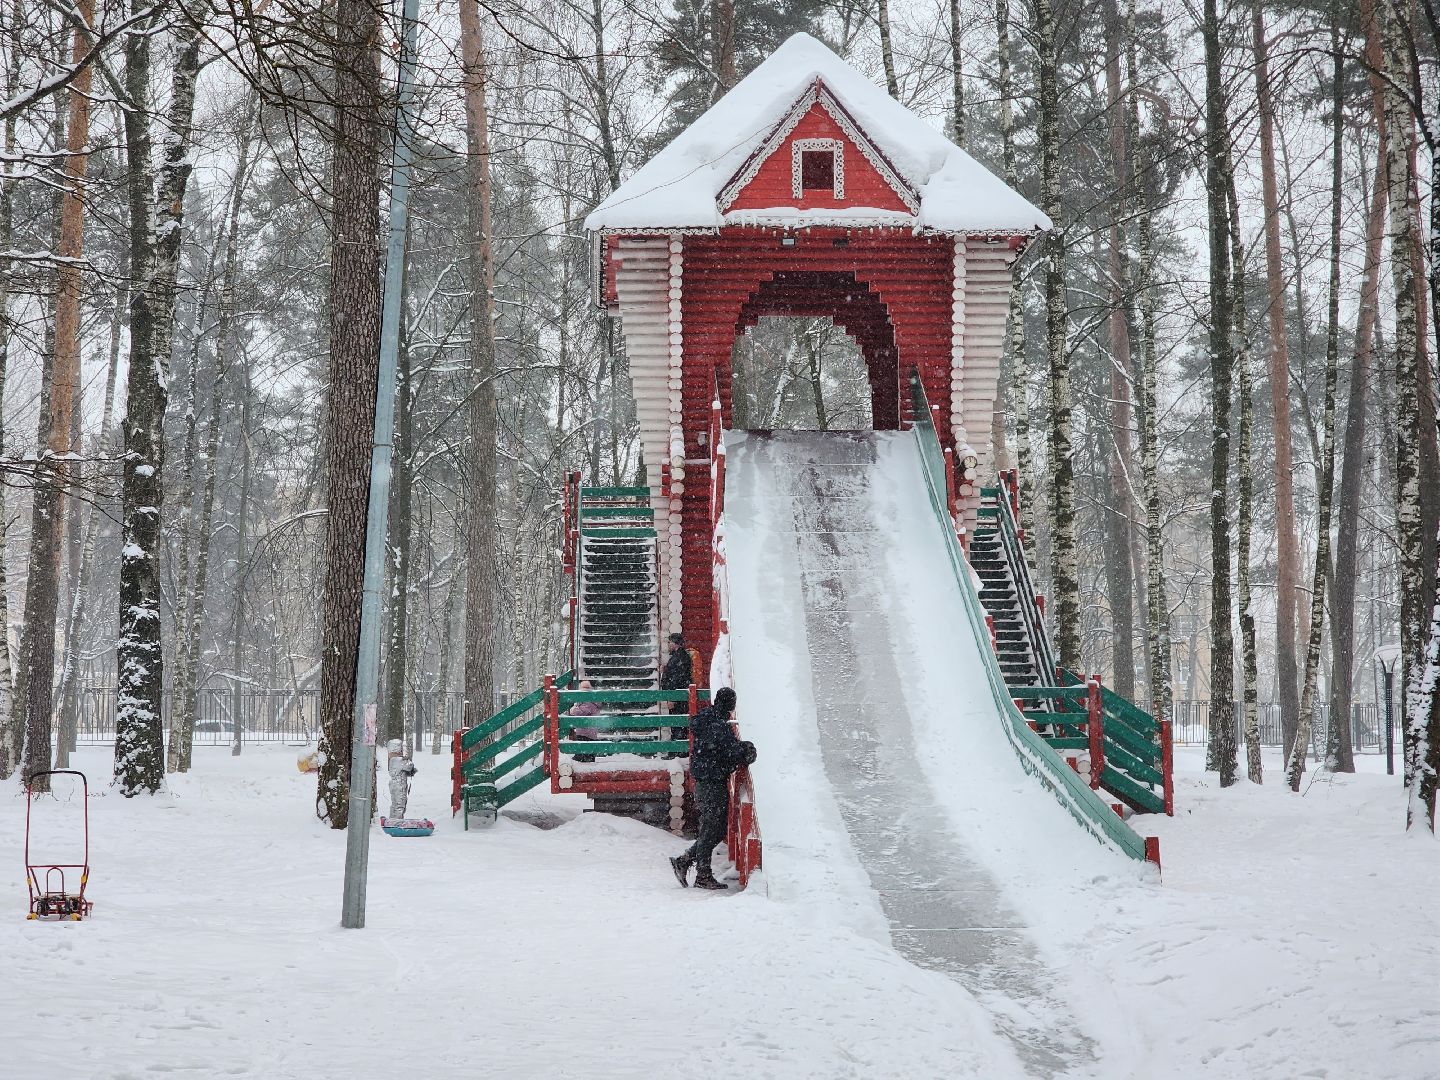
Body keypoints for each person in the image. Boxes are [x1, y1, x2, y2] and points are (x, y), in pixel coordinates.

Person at [669, 687, 756, 891]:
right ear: (731, 705)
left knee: (713, 829)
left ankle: (686, 861)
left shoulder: (709, 720)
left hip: (707, 781)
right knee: (712, 829)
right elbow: (729, 752)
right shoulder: (717, 726)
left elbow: (723, 749)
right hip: (712, 782)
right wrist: (747, 749)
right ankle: (702, 874)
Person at [568, 679, 601, 763]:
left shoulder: (588, 703)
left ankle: (583, 760)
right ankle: (586, 760)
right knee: (587, 750)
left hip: (586, 731)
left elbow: (577, 712)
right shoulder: (591, 701)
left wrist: (573, 708)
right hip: (588, 730)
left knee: (583, 749)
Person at [660, 632, 692, 716]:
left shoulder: (679, 657)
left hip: (678, 697)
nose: (668, 644)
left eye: (670, 642)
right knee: (678, 722)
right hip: (680, 696)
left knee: (677, 723)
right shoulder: (679, 656)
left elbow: (676, 679)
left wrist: (672, 698)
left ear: (676, 643)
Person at [386, 739, 417, 819]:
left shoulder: (392, 760)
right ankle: (397, 820)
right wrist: (407, 759)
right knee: (400, 805)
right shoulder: (399, 760)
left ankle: (392, 819)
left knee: (395, 804)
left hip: (393, 785)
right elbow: (410, 767)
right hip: (400, 786)